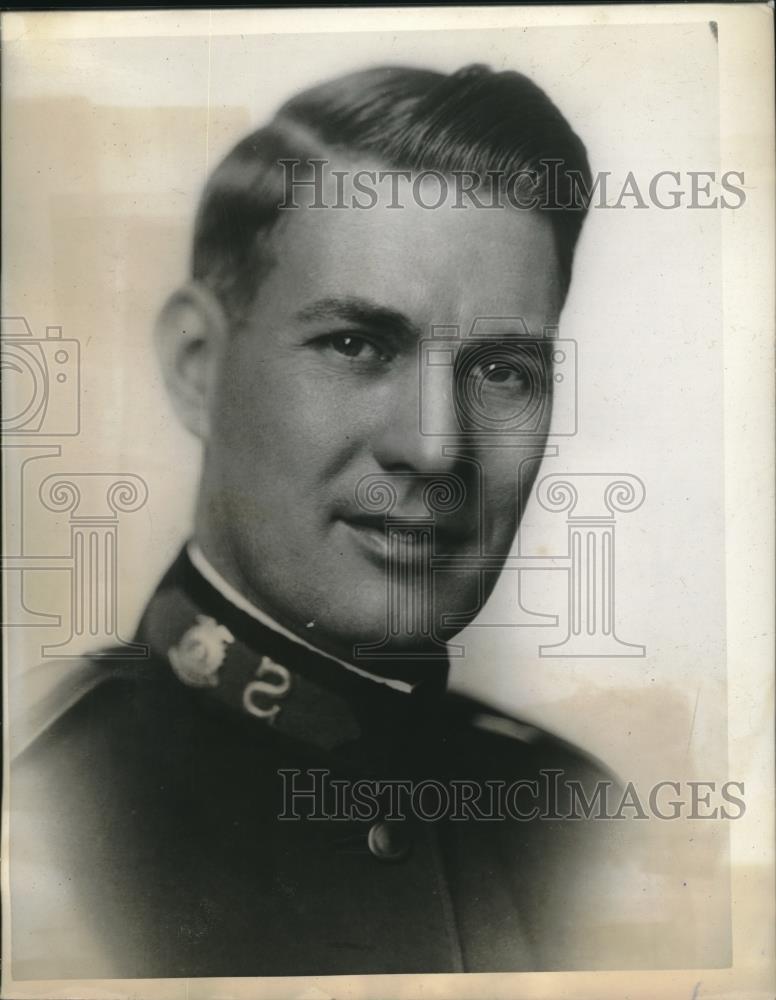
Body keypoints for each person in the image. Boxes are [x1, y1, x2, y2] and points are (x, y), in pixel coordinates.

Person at [11, 64, 651, 979]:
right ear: (199, 365)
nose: (437, 450)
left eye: (504, 371)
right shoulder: (40, 822)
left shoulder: (589, 828)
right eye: (357, 345)